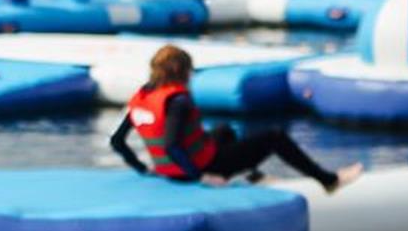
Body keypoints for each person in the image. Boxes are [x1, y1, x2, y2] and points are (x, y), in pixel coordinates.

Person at [110, 45, 362, 193]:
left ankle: (253, 175)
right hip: (197, 171)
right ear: (182, 71)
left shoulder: (143, 98)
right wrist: (200, 178)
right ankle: (329, 181)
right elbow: (171, 145)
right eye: (190, 70)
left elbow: (117, 142)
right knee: (275, 136)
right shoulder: (178, 101)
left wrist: (143, 169)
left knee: (223, 130)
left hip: (168, 170)